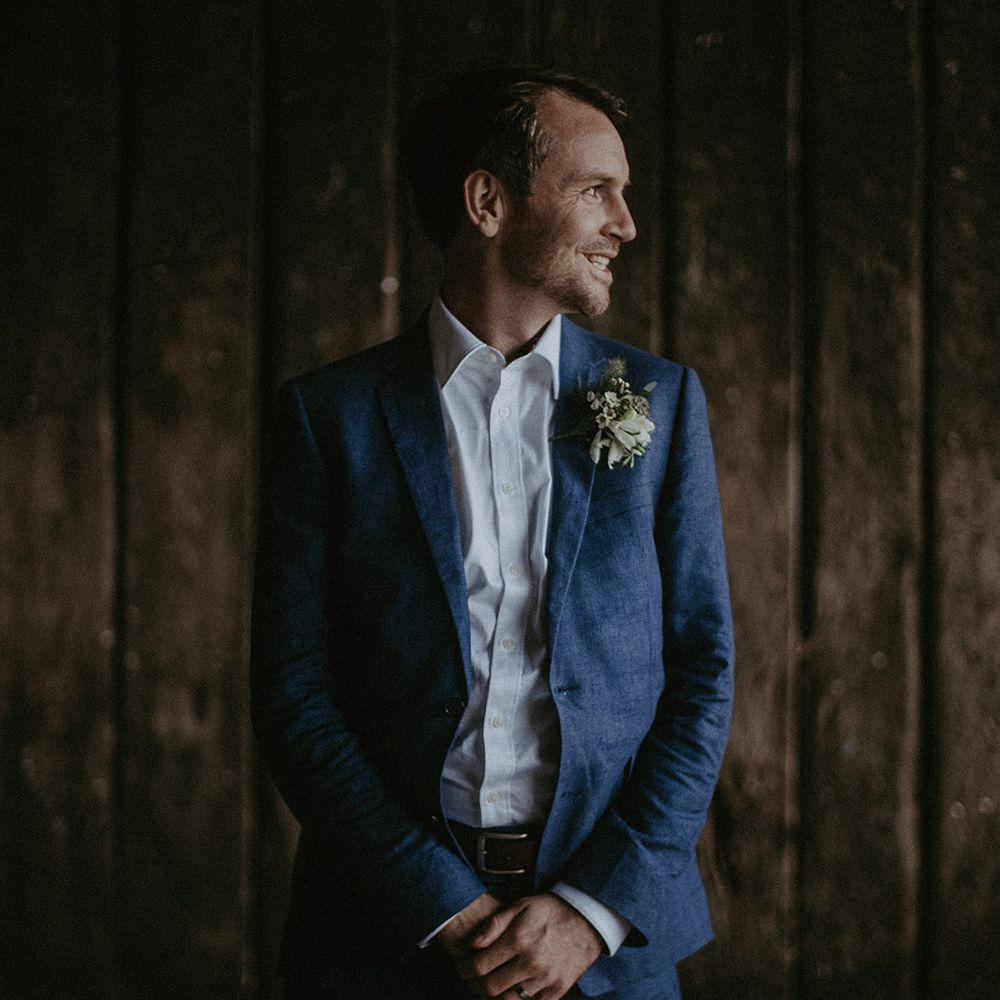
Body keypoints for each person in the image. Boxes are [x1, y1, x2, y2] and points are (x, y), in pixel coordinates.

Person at [251, 64, 734, 1000]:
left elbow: (703, 668)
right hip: (386, 938)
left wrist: (591, 912)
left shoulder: (661, 404)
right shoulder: (329, 417)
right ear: (487, 202)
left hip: (608, 945)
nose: (624, 224)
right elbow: (293, 693)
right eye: (597, 190)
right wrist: (439, 904)